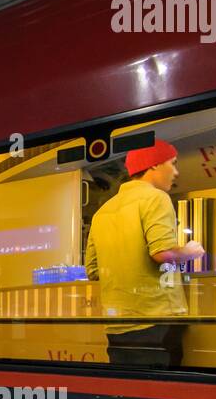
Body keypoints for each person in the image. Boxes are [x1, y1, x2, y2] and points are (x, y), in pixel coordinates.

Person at [83, 140, 205, 368]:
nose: (176, 172)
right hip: (157, 318)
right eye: (173, 164)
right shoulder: (156, 198)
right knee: (162, 393)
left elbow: (92, 271)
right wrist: (190, 251)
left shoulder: (102, 212)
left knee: (129, 390)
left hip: (117, 323)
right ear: (154, 165)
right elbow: (162, 253)